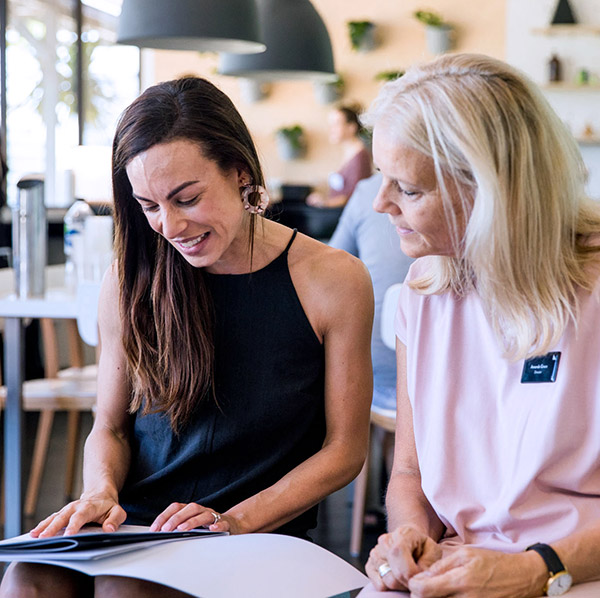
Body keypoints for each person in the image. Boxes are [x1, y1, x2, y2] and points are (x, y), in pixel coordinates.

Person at [0, 76, 374, 597]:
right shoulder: (129, 279)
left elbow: (344, 450)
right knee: (26, 580)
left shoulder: (333, 280)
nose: (171, 226)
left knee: (125, 591)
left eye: (187, 198)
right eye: (150, 206)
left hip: (257, 528)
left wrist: (234, 521)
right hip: (141, 525)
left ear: (240, 172)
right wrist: (99, 492)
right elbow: (110, 427)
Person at [361, 53, 600, 597]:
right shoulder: (423, 291)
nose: (380, 203)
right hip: (462, 565)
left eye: (409, 189)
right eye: (381, 177)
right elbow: (410, 474)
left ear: (492, 192)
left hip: (578, 569)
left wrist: (537, 570)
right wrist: (408, 536)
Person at [306, 105, 372, 209]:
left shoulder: (360, 157)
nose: (331, 129)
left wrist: (324, 202)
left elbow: (352, 197)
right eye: (330, 125)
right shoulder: (350, 153)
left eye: (336, 124)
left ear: (351, 127)